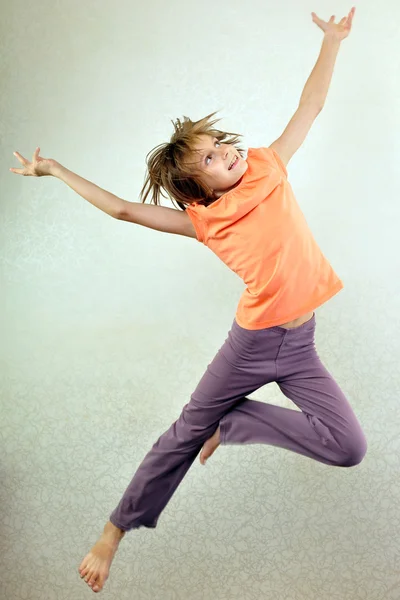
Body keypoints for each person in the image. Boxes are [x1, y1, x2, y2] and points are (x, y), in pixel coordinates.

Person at [9, 7, 363, 595]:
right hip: (252, 345)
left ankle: (238, 421)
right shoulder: (202, 221)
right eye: (210, 159)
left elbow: (311, 107)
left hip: (300, 344)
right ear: (197, 190)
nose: (226, 153)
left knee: (348, 446)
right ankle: (113, 530)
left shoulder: (270, 166)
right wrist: (54, 169)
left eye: (221, 144)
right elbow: (124, 208)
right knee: (181, 433)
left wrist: (331, 42)